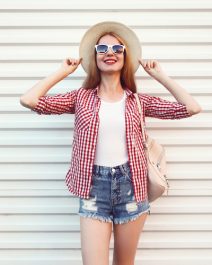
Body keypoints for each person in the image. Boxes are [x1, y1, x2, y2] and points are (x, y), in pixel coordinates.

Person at [20, 21, 202, 265]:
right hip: (93, 188)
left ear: (125, 58)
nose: (109, 53)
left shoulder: (138, 101)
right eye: (102, 48)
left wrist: (160, 75)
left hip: (132, 186)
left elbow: (191, 108)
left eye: (118, 49)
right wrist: (63, 72)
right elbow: (30, 100)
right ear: (94, 57)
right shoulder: (81, 98)